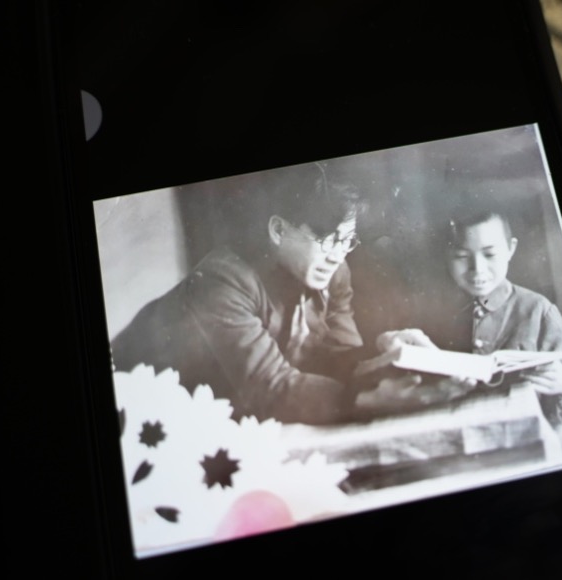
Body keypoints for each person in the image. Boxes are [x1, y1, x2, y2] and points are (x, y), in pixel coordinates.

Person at [111, 162, 449, 425]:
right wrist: (361, 400)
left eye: (346, 241)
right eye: (327, 239)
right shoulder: (223, 281)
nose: (337, 255)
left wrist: (385, 353)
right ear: (278, 230)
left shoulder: (333, 273)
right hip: (129, 406)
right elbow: (268, 388)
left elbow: (339, 358)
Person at [420, 208, 562, 429]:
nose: (477, 269)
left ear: (510, 249)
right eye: (461, 256)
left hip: (528, 434)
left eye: (489, 255)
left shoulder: (538, 310)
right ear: (446, 256)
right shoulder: (434, 312)